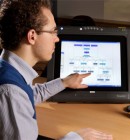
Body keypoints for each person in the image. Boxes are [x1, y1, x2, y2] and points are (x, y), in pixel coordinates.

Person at [0, 0, 113, 140]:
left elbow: (28, 95)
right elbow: (17, 96)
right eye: (53, 31)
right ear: (32, 36)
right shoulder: (10, 92)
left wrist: (64, 82)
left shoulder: (8, 69)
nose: (57, 39)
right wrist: (77, 137)